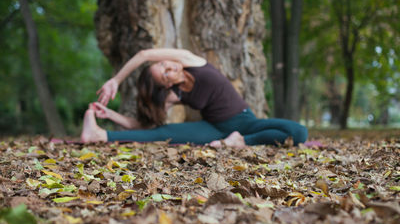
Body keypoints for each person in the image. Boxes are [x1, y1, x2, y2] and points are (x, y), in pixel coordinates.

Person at [80, 48, 308, 148]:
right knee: (162, 133)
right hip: (214, 129)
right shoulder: (173, 94)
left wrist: (116, 81)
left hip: (245, 121)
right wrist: (110, 115)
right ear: (167, 84)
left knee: (299, 133)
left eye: (162, 65)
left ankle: (241, 142)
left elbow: (143, 55)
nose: (168, 67)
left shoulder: (191, 61)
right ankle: (99, 135)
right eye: (164, 75)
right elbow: (147, 126)